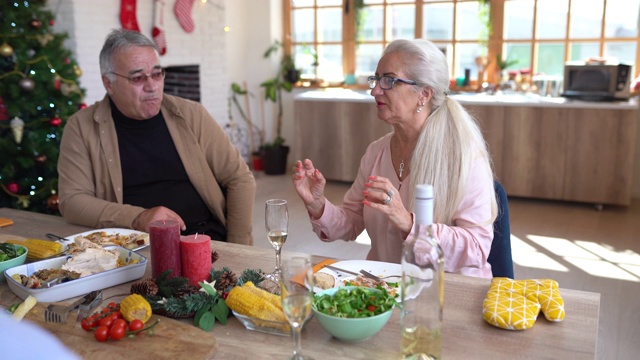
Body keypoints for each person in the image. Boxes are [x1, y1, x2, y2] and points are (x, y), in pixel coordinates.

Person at [292, 39, 498, 278]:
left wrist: (410, 224)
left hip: (445, 296)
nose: (375, 90)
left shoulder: (465, 158)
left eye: (389, 80)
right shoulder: (376, 152)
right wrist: (317, 205)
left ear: (424, 94)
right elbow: (351, 221)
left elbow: (476, 248)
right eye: (376, 79)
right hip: (384, 290)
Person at [58, 29, 256, 245]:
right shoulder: (81, 127)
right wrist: (137, 218)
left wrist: (238, 246)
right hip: (133, 249)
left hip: (202, 239)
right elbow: (72, 201)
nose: (152, 86)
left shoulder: (192, 115)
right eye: (137, 78)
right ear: (109, 83)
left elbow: (239, 178)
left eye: (157, 74)